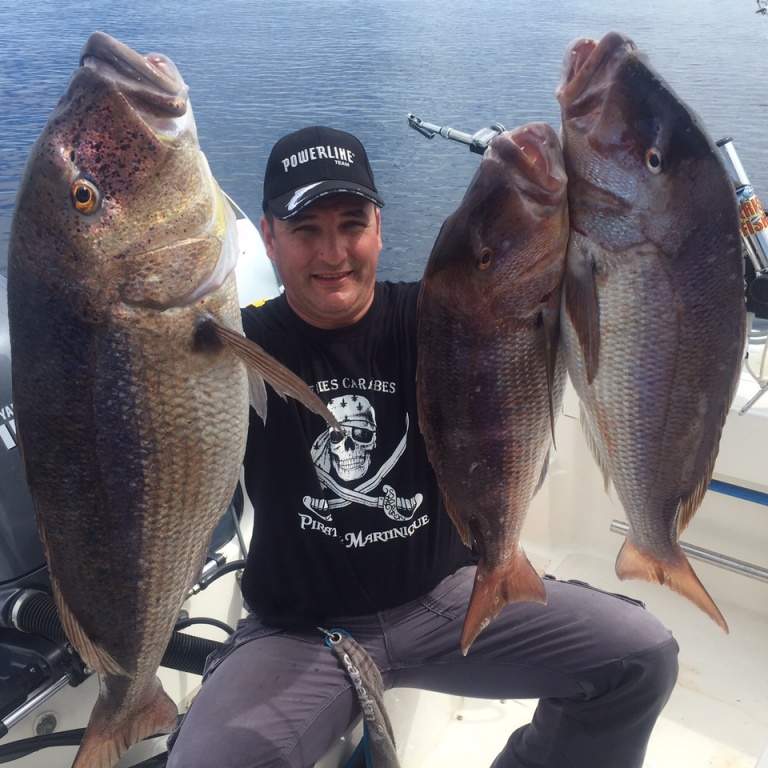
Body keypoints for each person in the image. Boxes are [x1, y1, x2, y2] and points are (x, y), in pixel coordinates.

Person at [167, 126, 679, 768]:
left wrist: (567, 180)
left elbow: (567, 279)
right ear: (268, 238)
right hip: (300, 630)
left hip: (448, 594)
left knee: (640, 658)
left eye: (351, 224)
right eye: (305, 231)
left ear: (380, 227)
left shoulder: (447, 315)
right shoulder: (236, 351)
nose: (333, 253)